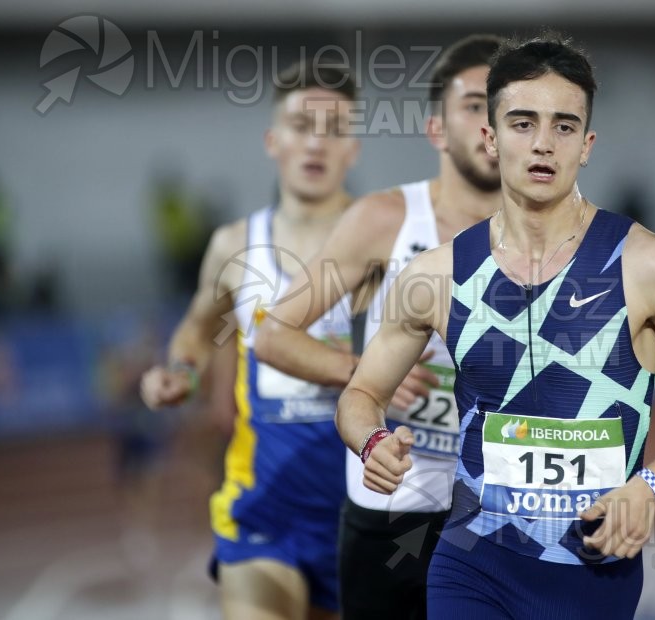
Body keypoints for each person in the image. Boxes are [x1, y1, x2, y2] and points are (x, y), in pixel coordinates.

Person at [336, 33, 655, 619]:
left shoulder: (648, 266)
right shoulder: (435, 277)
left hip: (591, 570)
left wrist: (653, 486)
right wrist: (373, 440)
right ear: (490, 137)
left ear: (586, 145)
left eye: (563, 126)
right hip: (471, 562)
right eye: (522, 122)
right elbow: (360, 394)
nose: (542, 143)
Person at [254, 35, 503, 619]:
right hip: (391, 508)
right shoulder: (385, 220)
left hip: (501, 510)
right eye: (473, 105)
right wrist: (365, 375)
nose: (490, 123)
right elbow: (273, 332)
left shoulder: (553, 235)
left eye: (503, 107)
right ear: (436, 129)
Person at [139, 60, 360, 620]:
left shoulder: (390, 244)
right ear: (272, 140)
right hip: (263, 508)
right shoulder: (235, 246)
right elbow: (197, 326)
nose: (315, 143)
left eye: (333, 129)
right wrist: (181, 373)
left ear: (352, 148)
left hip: (365, 515)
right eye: (299, 126)